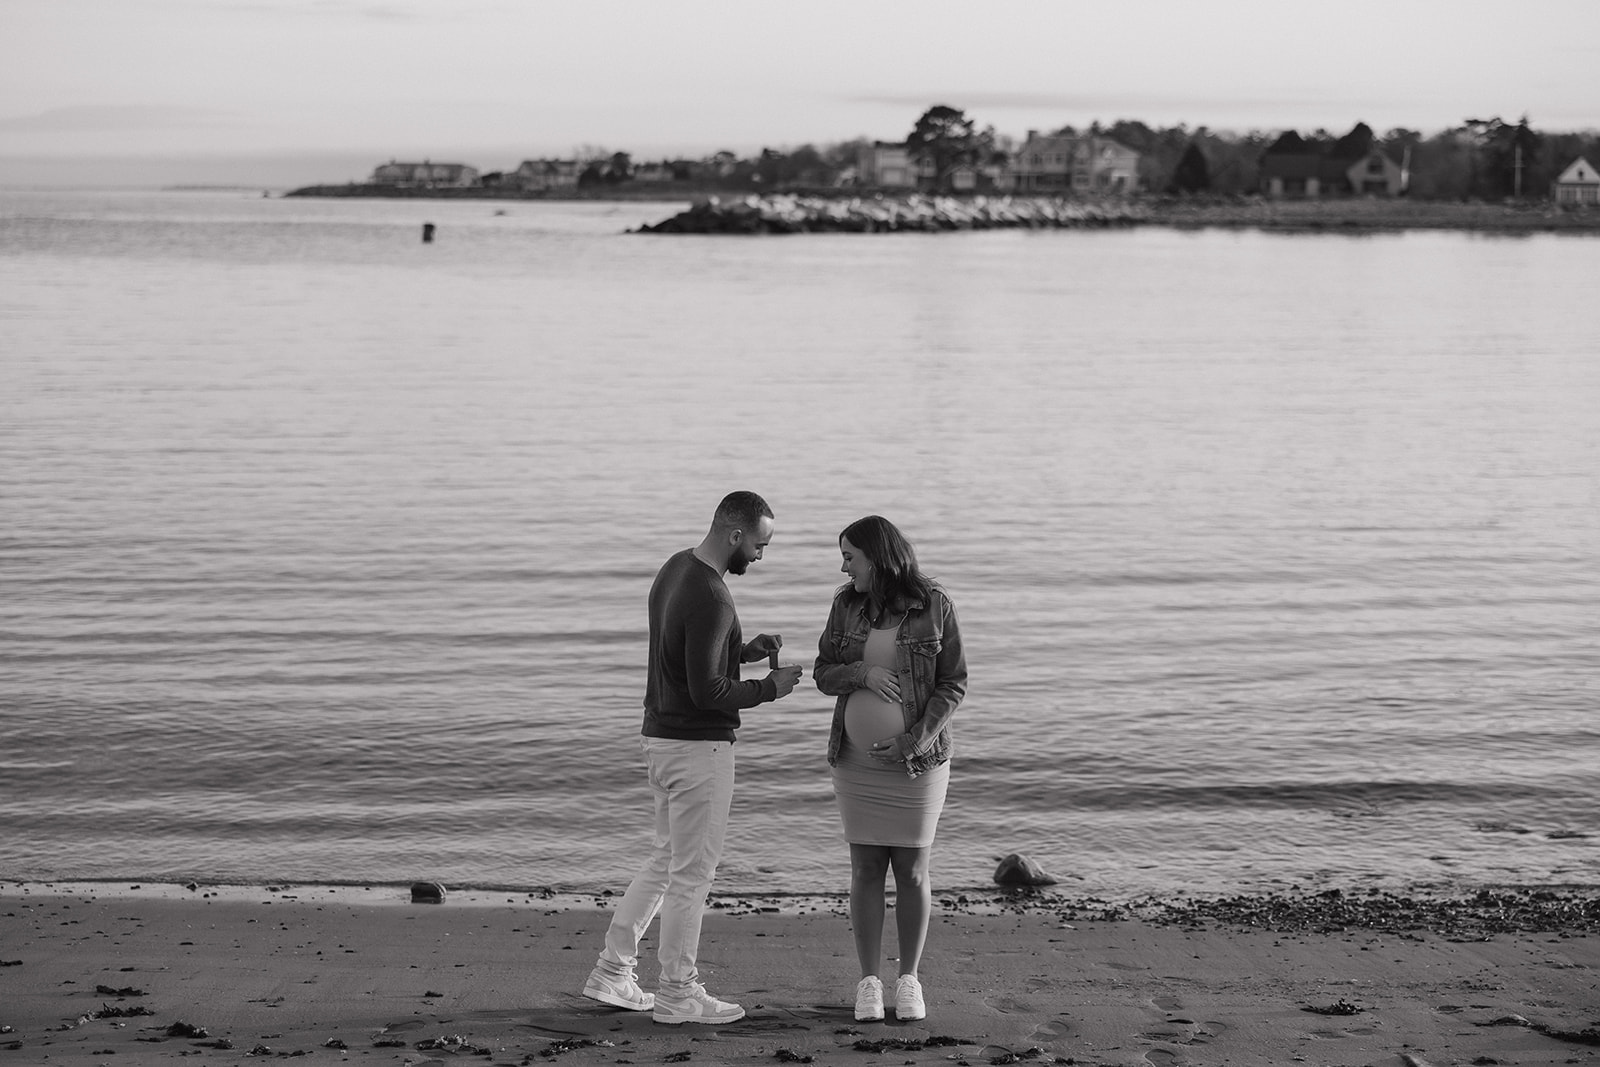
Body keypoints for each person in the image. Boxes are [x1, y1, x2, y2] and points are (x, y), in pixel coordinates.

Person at [582, 491, 804, 1025]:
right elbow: (709, 693)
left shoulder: (676, 568)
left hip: (661, 738)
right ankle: (678, 992)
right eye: (759, 543)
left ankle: (612, 971)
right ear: (735, 535)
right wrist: (769, 687)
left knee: (666, 861)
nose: (759, 555)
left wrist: (739, 650)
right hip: (698, 748)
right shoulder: (713, 595)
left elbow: (684, 656)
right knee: (692, 875)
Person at [813, 515, 967, 1024]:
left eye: (849, 556)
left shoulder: (933, 604)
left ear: (877, 558)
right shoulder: (845, 604)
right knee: (864, 868)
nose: (843, 566)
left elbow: (953, 684)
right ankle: (868, 983)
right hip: (856, 764)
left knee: (912, 870)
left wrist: (911, 739)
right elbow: (822, 674)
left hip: (917, 763)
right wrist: (863, 672)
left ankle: (910, 980)